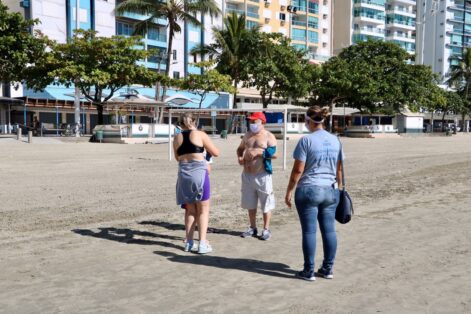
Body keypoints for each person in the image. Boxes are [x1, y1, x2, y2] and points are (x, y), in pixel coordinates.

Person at [284, 106, 343, 281]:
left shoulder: (306, 140)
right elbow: (339, 169)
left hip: (309, 189)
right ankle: (328, 268)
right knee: (329, 231)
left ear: (308, 120)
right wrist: (338, 188)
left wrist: (289, 191)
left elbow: (297, 171)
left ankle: (308, 271)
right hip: (330, 189)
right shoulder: (336, 140)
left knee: (309, 232)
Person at [174, 112, 219, 254]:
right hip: (199, 173)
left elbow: (177, 158)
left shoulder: (177, 138)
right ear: (194, 121)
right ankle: (202, 243)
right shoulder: (200, 134)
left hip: (183, 174)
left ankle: (189, 242)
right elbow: (215, 152)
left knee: (190, 209)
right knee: (203, 210)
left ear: (180, 124)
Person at [236, 112, 277, 240]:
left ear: (262, 122)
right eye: (251, 121)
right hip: (247, 174)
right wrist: (240, 157)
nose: (252, 124)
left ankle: (266, 229)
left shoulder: (268, 136)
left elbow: (275, 154)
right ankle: (252, 227)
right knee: (250, 202)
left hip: (262, 174)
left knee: (266, 202)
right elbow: (240, 149)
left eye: (255, 121)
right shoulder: (247, 135)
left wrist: (260, 152)